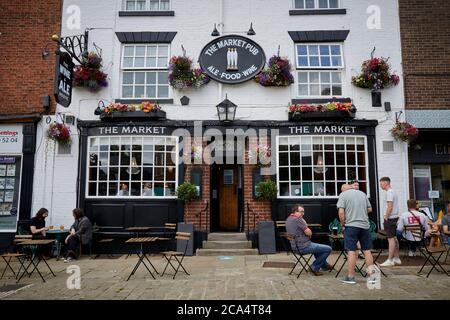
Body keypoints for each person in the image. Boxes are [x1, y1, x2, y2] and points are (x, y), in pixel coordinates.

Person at [337, 184, 377, 284]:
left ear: (344, 190)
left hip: (351, 226)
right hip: (364, 226)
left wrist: (343, 223)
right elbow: (370, 209)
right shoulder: (362, 194)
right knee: (367, 250)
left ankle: (351, 277)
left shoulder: (343, 195)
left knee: (351, 250)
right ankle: (372, 277)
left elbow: (341, 212)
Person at [285, 204, 333, 276]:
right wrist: (305, 224)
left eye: (303, 212)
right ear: (295, 211)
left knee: (318, 249)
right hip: (304, 247)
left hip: (295, 247)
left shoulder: (288, 219)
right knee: (328, 249)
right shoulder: (298, 219)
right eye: (301, 212)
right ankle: (314, 267)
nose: (303, 214)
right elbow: (309, 232)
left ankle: (324, 266)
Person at [379, 177, 401, 266]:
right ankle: (397, 258)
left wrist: (386, 217)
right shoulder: (393, 191)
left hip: (390, 218)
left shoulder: (389, 193)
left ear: (386, 183)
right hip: (394, 217)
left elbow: (390, 206)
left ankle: (390, 260)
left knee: (390, 239)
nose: (380, 185)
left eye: (381, 183)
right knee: (394, 238)